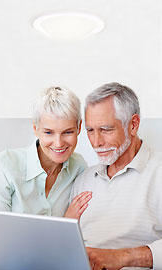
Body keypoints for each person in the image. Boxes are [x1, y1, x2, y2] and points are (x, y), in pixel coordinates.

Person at [0, 86, 92, 270]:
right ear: (35, 128)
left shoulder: (79, 168)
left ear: (79, 128)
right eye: (48, 132)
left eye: (68, 132)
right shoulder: (6, 165)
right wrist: (65, 225)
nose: (58, 143)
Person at [70, 82, 162, 270]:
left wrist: (124, 257)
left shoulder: (158, 172)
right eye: (90, 130)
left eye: (106, 129)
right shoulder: (83, 179)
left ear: (133, 125)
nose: (96, 142)